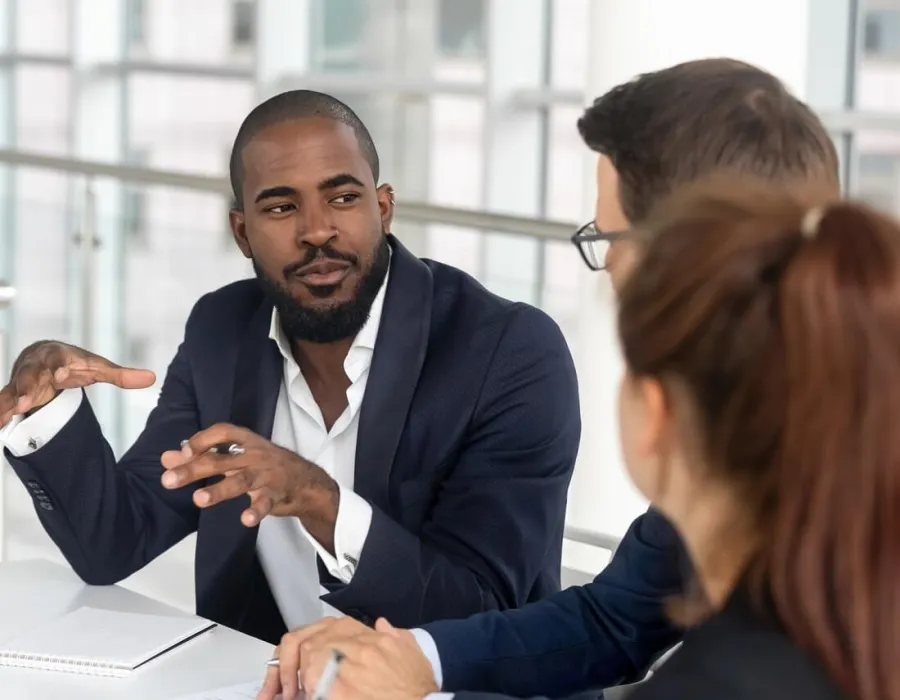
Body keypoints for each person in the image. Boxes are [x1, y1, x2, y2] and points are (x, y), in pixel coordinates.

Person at [260, 59, 844, 700]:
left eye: (610, 236)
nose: (609, 267)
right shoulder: (756, 431)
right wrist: (416, 657)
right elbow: (616, 620)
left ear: (681, 255)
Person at [0, 90, 581, 645]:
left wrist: (317, 499)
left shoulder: (507, 351)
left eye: (343, 198)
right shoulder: (222, 329)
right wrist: (47, 412)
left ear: (383, 209)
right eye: (281, 207)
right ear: (242, 232)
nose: (316, 230)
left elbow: (487, 615)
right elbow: (115, 541)